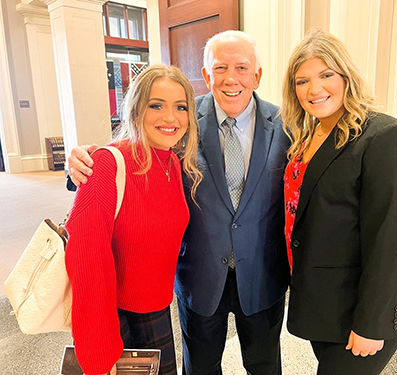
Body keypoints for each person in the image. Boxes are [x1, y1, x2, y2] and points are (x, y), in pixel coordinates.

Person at [67, 31, 290, 375]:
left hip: (262, 277)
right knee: (199, 367)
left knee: (264, 366)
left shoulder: (287, 125)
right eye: (220, 68)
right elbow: (135, 152)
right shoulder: (183, 120)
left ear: (257, 75)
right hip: (199, 279)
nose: (231, 78)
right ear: (206, 75)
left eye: (242, 68)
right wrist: (81, 164)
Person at [280, 29, 397, 374]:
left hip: (362, 305)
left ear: (346, 76)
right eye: (302, 81)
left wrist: (371, 322)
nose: (314, 90)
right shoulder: (307, 136)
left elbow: (390, 240)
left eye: (326, 75)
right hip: (323, 299)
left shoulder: (383, 136)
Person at [64, 65, 202, 375]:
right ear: (136, 110)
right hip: (116, 317)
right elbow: (86, 260)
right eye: (157, 105)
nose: (170, 118)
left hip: (157, 309)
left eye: (180, 107)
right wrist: (100, 350)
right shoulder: (108, 163)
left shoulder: (173, 163)